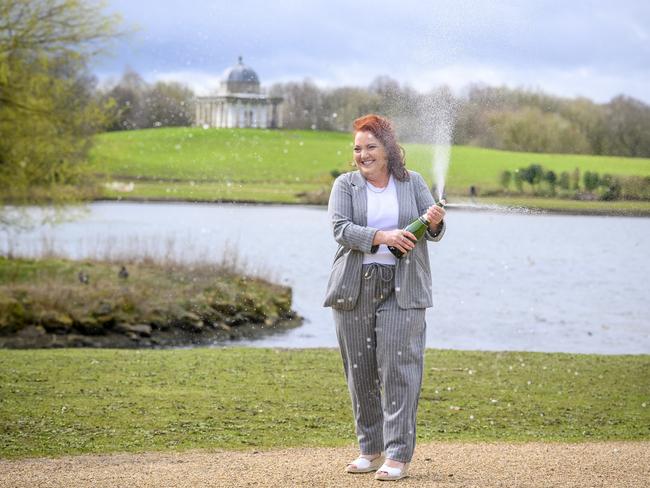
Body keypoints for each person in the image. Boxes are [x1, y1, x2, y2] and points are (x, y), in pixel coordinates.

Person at [324, 114, 446, 481]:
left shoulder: (414, 183)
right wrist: (384, 237)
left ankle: (398, 455)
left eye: (370, 147)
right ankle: (370, 449)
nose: (363, 155)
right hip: (354, 286)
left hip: (403, 287)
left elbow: (434, 231)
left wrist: (436, 221)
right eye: (358, 148)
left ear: (389, 149)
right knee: (359, 372)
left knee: (398, 370)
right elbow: (340, 229)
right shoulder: (345, 185)